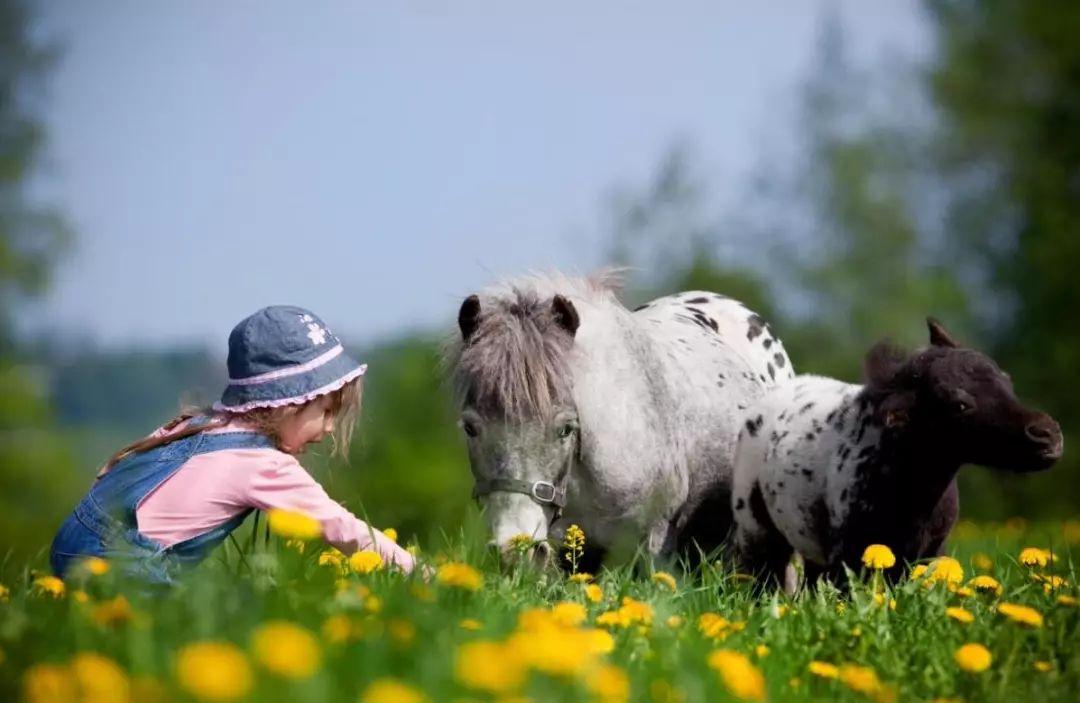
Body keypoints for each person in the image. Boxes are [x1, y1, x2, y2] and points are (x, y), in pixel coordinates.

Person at [49, 305, 416, 582]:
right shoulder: (263, 465)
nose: (331, 428)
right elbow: (342, 528)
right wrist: (421, 574)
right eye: (325, 410)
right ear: (290, 402)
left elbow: (114, 471)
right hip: (121, 562)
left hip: (75, 538)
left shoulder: (201, 423)